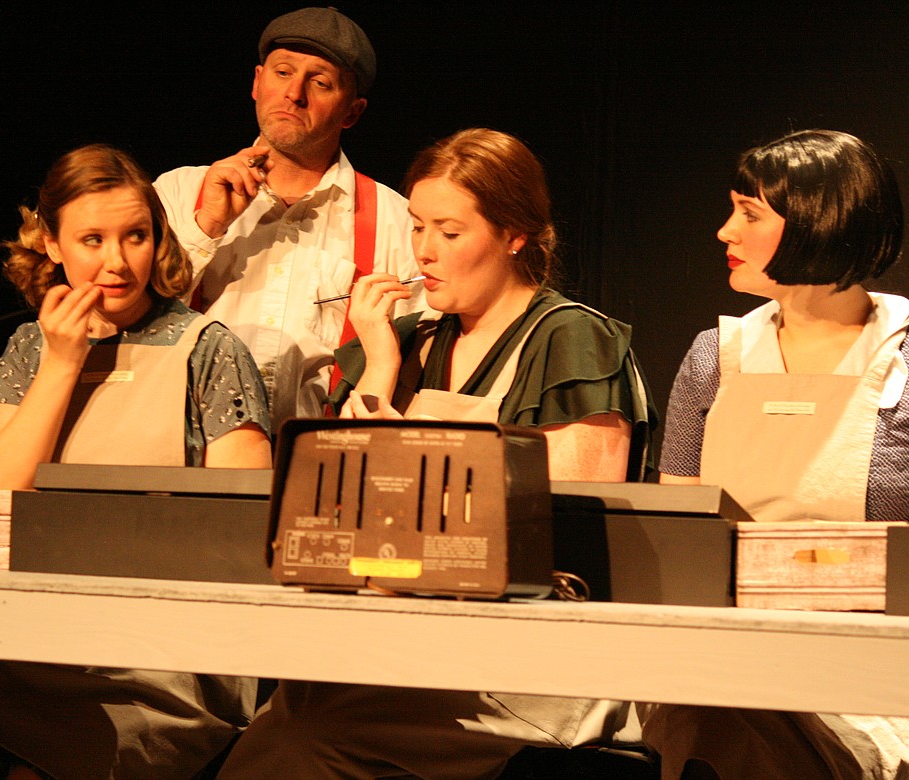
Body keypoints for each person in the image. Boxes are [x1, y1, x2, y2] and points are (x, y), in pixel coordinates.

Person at [215, 128, 658, 779]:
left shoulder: (571, 341)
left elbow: (567, 534)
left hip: (530, 662)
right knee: (293, 704)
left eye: (450, 233)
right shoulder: (402, 345)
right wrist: (379, 370)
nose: (424, 250)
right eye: (418, 227)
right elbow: (329, 516)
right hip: (406, 642)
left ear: (514, 235)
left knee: (304, 733)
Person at [649, 129, 909, 779]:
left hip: (882, 666)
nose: (725, 233)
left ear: (821, 223)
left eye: (749, 214)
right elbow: (676, 539)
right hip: (731, 659)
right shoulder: (713, 358)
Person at [0, 143, 273, 779]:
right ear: (52, 244)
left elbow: (242, 527)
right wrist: (62, 361)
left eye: (136, 236)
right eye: (92, 239)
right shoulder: (32, 347)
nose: (116, 261)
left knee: (43, 766)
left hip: (168, 644)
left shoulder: (208, 349)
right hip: (43, 623)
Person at [154, 6, 427, 429]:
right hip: (178, 457)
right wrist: (206, 227)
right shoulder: (177, 193)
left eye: (320, 83)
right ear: (257, 82)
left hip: (320, 465)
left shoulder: (398, 222)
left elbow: (421, 366)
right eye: (283, 73)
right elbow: (128, 322)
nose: (294, 93)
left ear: (352, 112)